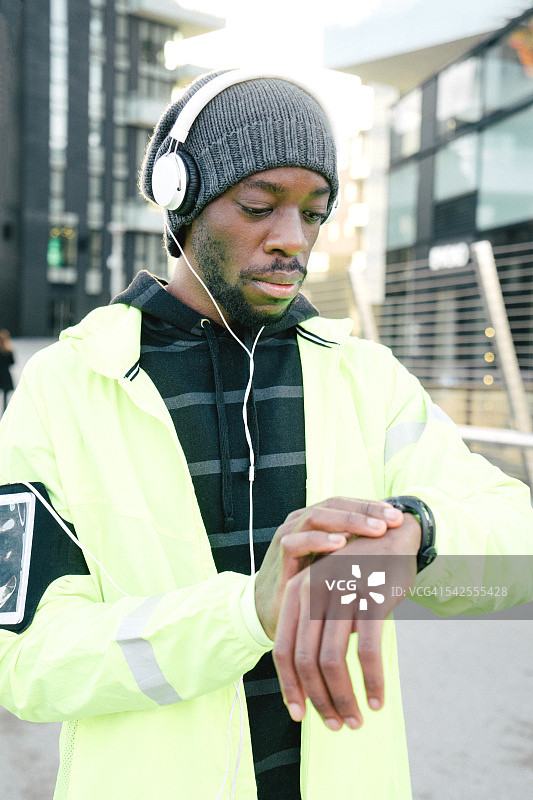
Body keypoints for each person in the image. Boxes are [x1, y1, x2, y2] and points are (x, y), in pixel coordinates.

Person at [0, 70, 532, 800]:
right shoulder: (65, 389)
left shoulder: (365, 379)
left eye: (314, 214)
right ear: (179, 197)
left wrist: (417, 535)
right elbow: (28, 665)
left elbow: (516, 561)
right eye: (258, 205)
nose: (292, 240)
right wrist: (246, 611)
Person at [0, 329, 15, 415]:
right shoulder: (8, 351)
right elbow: (12, 362)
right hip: (5, 375)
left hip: (3, 375)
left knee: (5, 396)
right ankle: (4, 412)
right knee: (5, 397)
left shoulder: (8, 351)